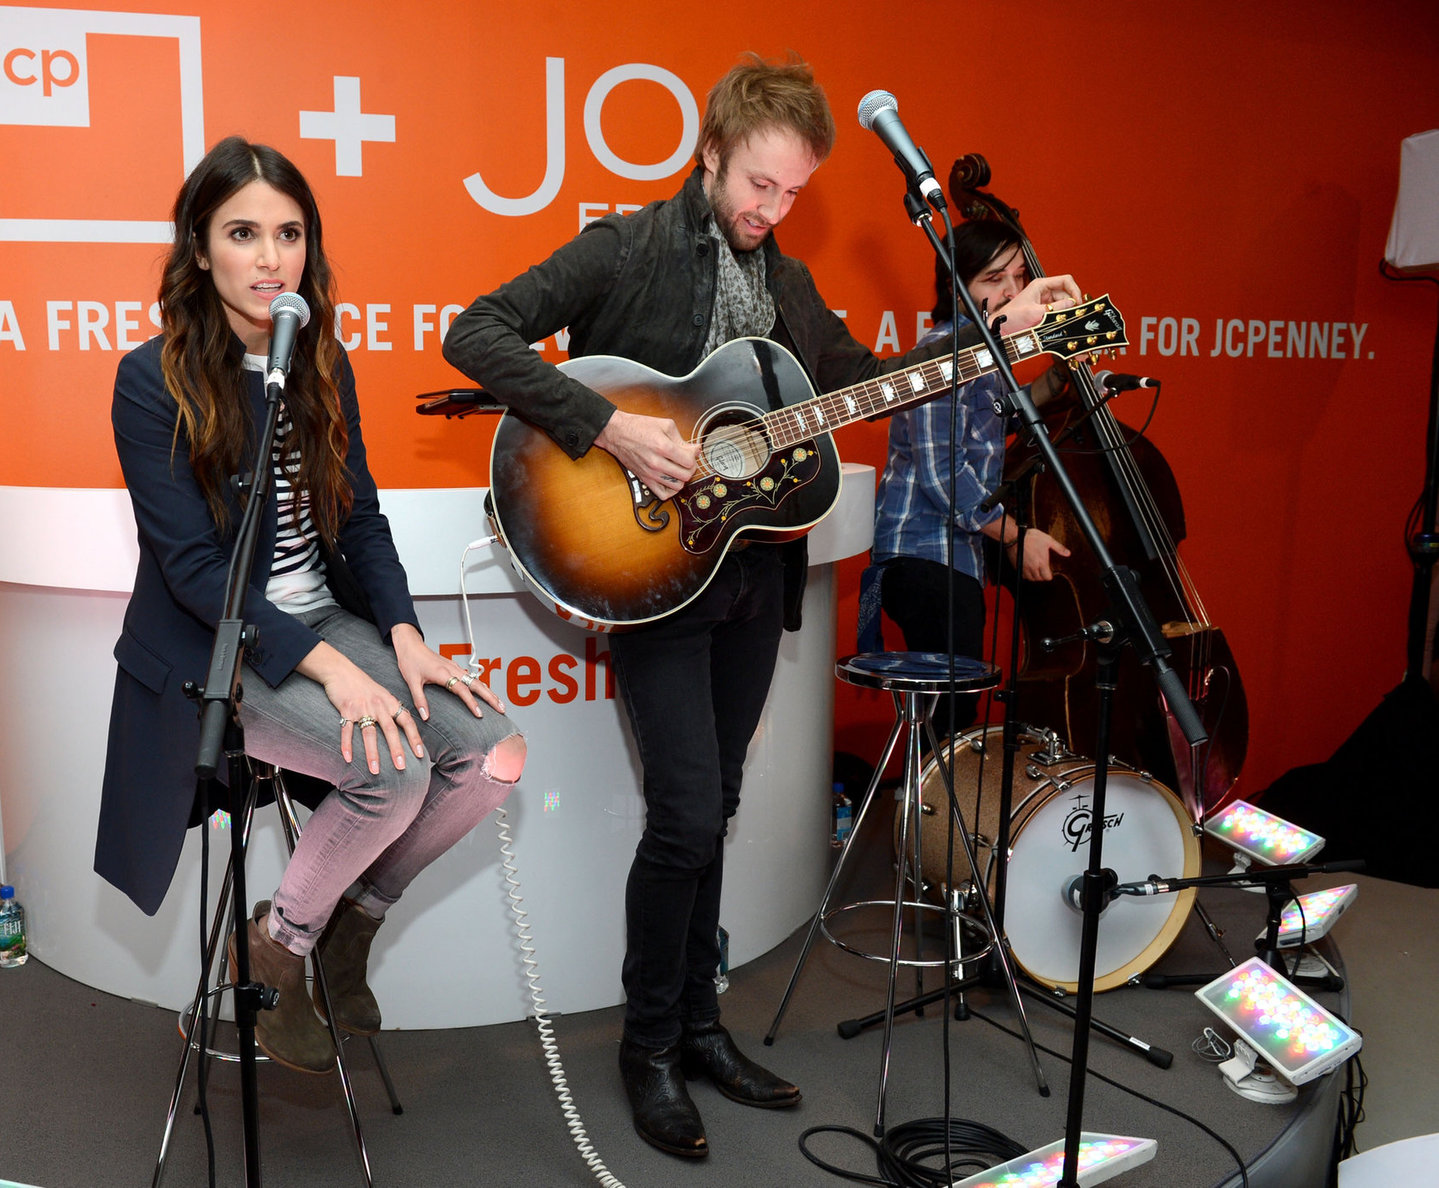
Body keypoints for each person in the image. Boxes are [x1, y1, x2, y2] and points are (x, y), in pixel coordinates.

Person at [443, 55, 1077, 1158]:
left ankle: (697, 1026)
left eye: (789, 194)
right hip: (648, 579)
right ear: (709, 155)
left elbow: (868, 377)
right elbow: (476, 332)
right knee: (685, 813)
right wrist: (611, 426)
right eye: (756, 187)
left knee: (715, 805)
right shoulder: (627, 247)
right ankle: (646, 1048)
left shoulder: (785, 285)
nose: (767, 211)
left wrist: (995, 337)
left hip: (743, 580)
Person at [94, 137, 526, 1074]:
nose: (268, 256)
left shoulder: (325, 364)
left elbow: (360, 520)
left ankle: (335, 936)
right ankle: (283, 947)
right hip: (220, 647)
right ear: (199, 249)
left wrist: (403, 638)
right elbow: (195, 572)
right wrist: (333, 675)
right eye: (242, 233)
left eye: (288, 233)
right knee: (394, 774)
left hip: (322, 621)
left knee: (493, 755)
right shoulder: (150, 378)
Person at [859, 220, 1074, 737]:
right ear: (958, 286)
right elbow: (946, 479)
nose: (1012, 293)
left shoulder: (986, 357)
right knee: (951, 717)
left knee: (957, 713)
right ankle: (933, 817)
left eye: (1019, 277)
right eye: (993, 279)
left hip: (957, 554)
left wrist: (1065, 373)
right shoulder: (943, 353)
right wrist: (1018, 536)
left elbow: (1007, 418)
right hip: (922, 556)